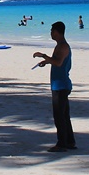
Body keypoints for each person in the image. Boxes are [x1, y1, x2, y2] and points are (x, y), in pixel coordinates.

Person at [33, 21, 75, 152]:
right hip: (59, 84)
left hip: (61, 85)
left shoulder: (63, 46)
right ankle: (70, 142)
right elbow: (56, 61)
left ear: (58, 32)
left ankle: (62, 144)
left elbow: (58, 62)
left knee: (59, 116)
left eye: (52, 31)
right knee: (64, 115)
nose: (51, 33)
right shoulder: (59, 46)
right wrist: (46, 61)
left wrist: (44, 55)